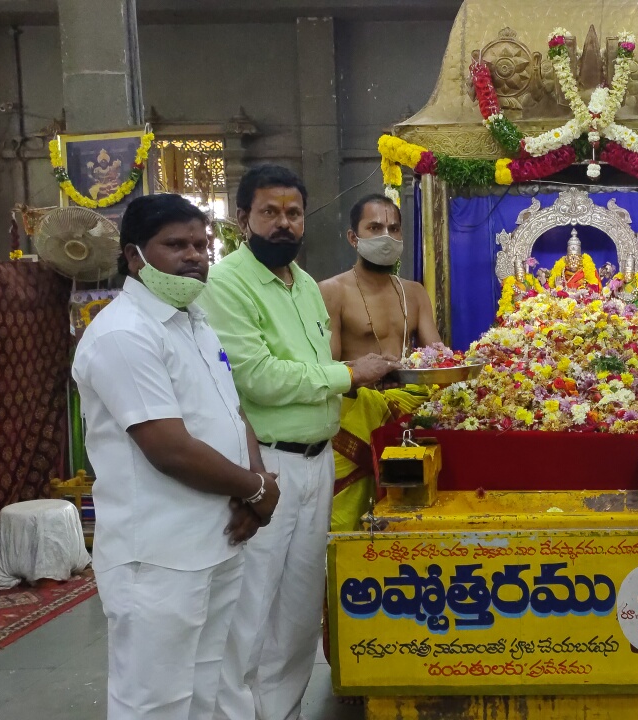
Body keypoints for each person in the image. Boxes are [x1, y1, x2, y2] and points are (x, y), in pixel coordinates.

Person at [201, 165, 400, 720]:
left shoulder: (306, 286)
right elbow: (256, 376)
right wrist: (348, 376)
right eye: (270, 212)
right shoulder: (227, 285)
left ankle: (281, 711)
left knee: (296, 610)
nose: (283, 224)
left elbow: (313, 367)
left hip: (319, 466)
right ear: (243, 219)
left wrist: (364, 378)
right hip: (266, 465)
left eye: (292, 214)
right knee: (250, 611)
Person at [73, 194, 279, 719]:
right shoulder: (124, 334)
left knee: (206, 689)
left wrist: (254, 484)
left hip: (218, 536)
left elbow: (233, 413)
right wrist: (255, 489)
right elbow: (168, 447)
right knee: (155, 701)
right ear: (134, 256)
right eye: (175, 245)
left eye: (200, 244)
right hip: (159, 554)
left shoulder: (194, 320)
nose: (193, 256)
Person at [319, 193, 441, 532]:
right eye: (374, 227)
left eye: (394, 228)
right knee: (351, 516)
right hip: (355, 418)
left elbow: (436, 357)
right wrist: (364, 372)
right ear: (352, 237)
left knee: (406, 508)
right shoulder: (331, 291)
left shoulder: (414, 293)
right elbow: (325, 364)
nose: (386, 236)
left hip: (403, 416)